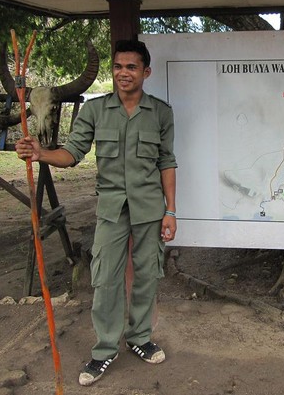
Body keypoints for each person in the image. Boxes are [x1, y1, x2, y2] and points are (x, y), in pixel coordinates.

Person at [15, 39, 177, 386]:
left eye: (131, 67)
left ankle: (139, 338)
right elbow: (72, 154)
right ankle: (104, 350)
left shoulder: (161, 113)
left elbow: (167, 162)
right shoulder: (95, 110)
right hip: (111, 211)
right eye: (118, 66)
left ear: (145, 72)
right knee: (104, 279)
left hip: (150, 209)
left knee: (147, 275)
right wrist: (40, 153)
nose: (123, 73)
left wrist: (171, 211)